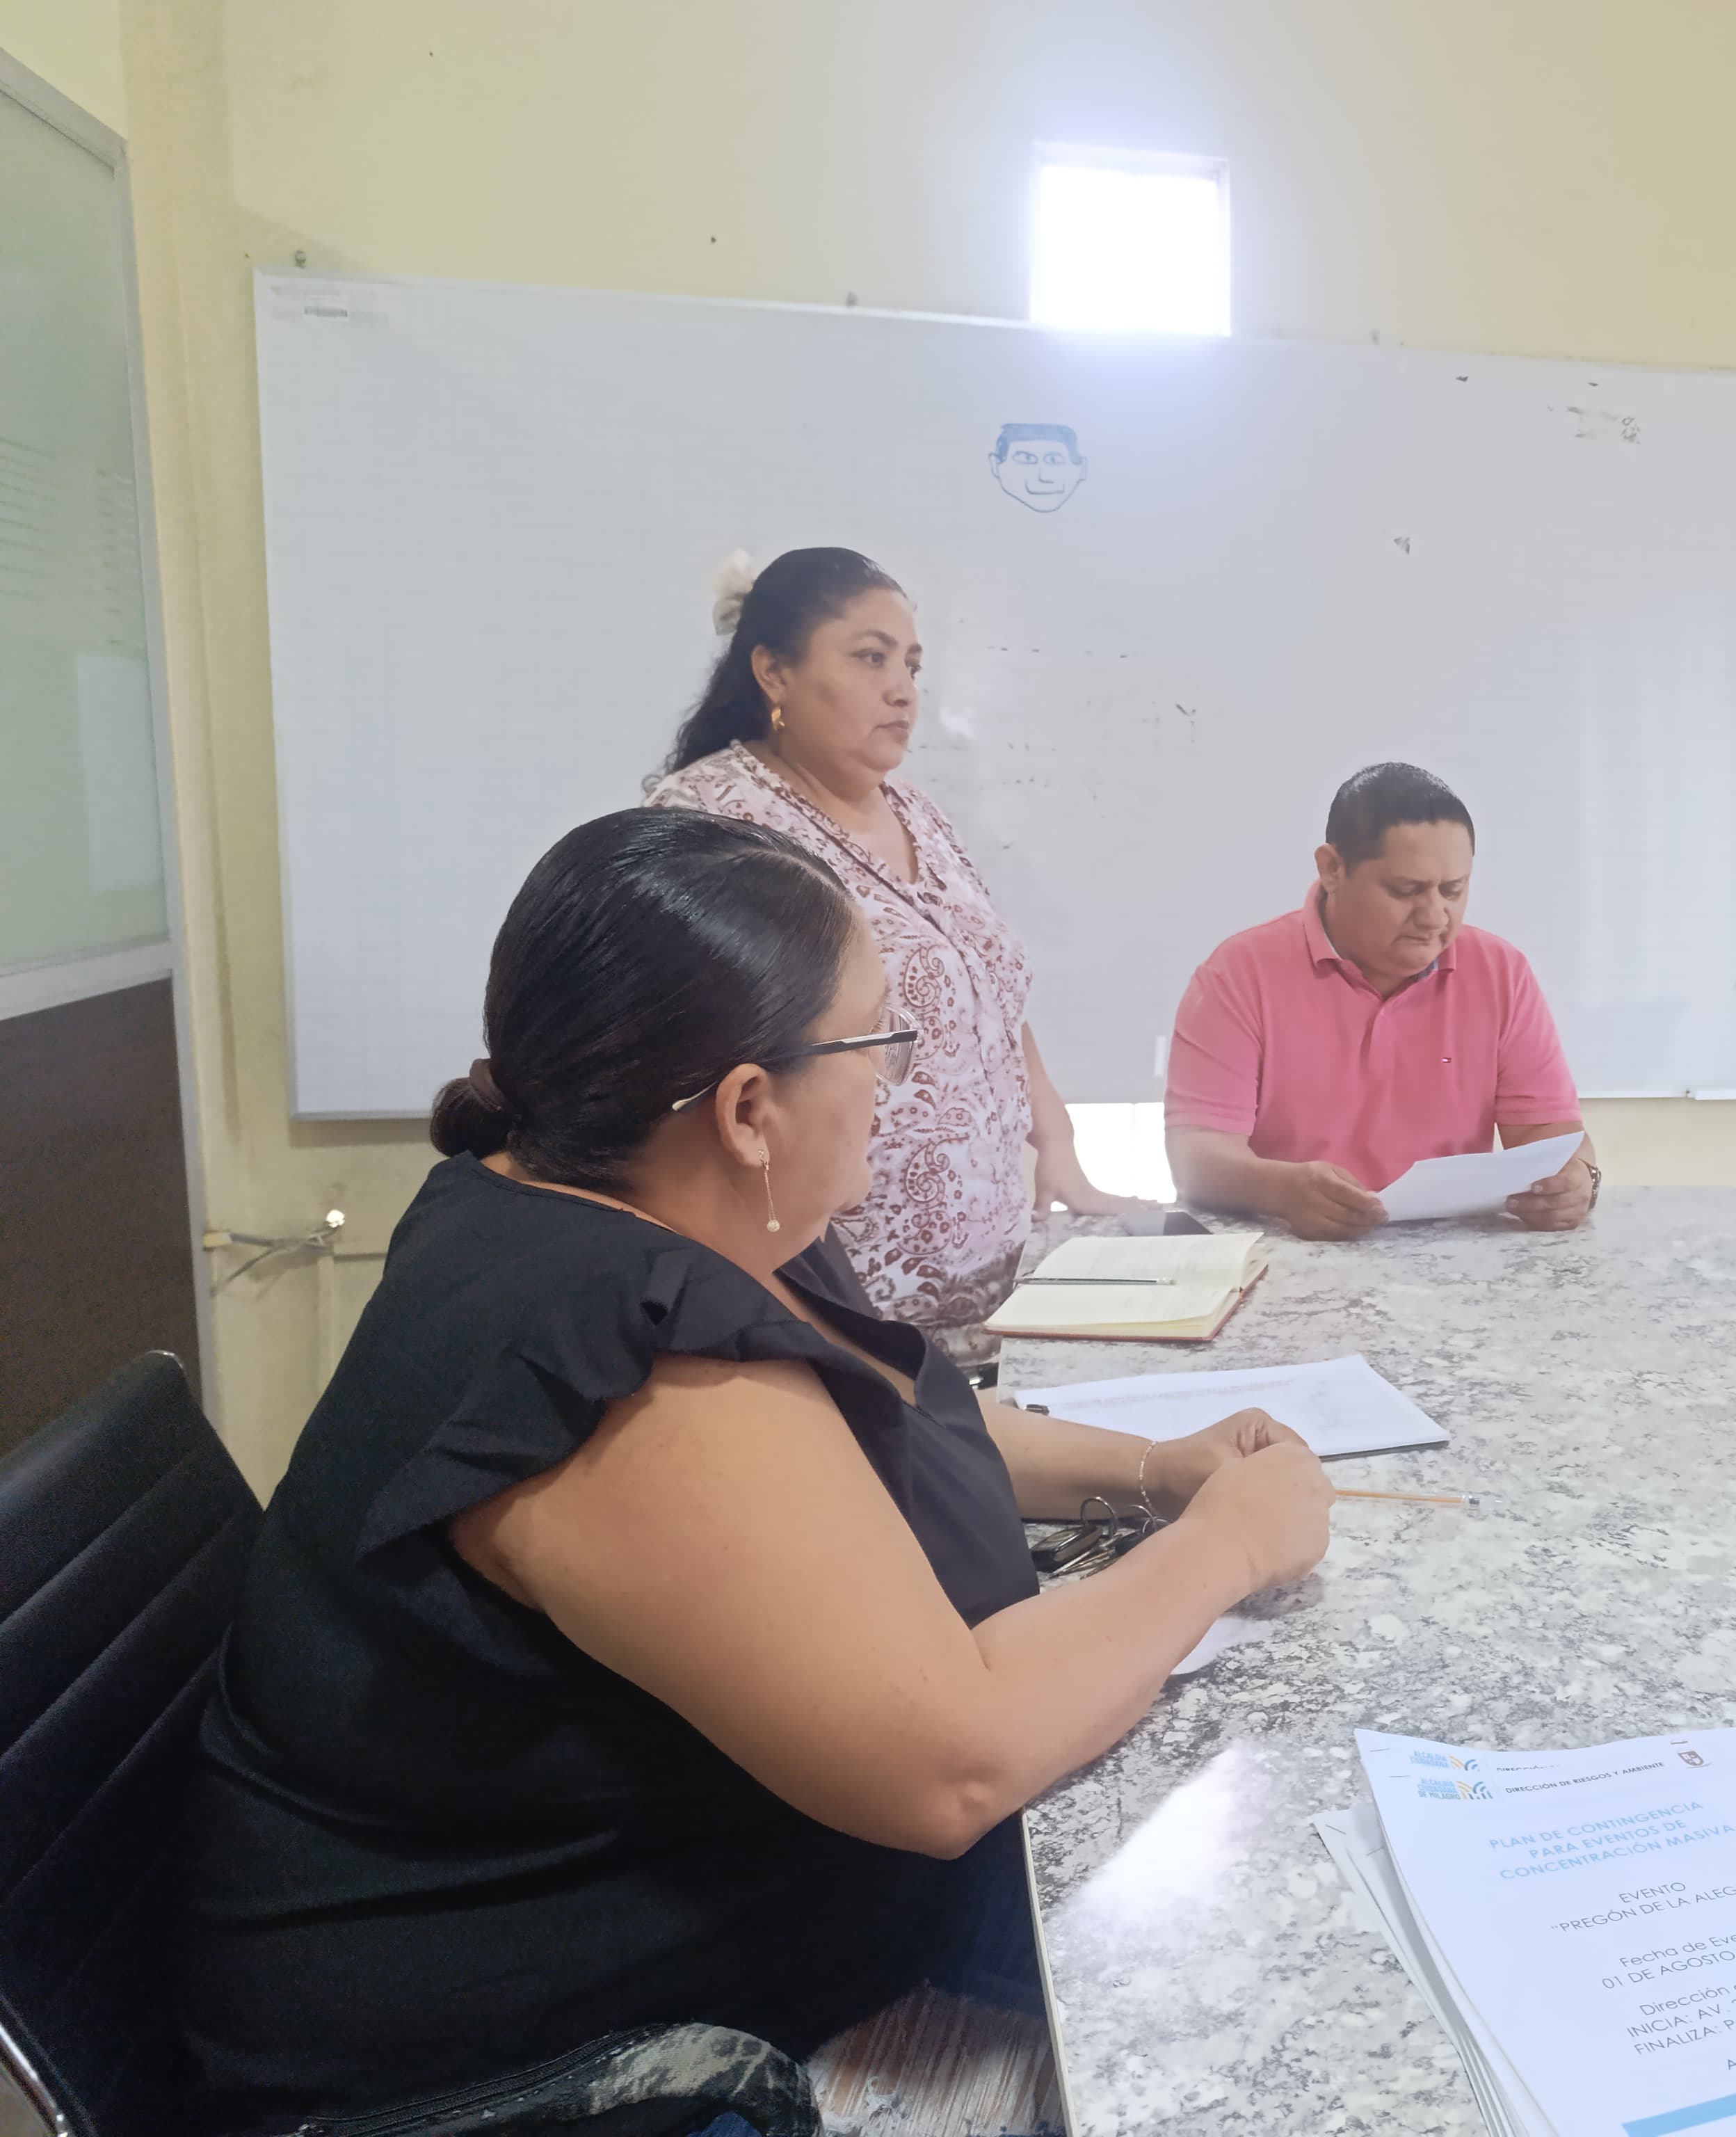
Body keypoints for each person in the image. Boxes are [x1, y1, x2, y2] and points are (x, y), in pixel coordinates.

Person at [177, 810, 1333, 2122]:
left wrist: (1163, 1471)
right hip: (510, 2061)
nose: (896, 1081)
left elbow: (899, 1424)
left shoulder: (663, 1199)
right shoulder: (630, 1371)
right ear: (747, 1106)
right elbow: (953, 1761)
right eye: (875, 1042)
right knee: (1238, 1975)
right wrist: (1229, 1545)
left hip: (721, 1877)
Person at [648, 545, 1138, 1369]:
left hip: (994, 1301)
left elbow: (988, 993)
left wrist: (1055, 1139)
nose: (904, 690)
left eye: (911, 664)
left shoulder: (920, 813)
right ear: (774, 672)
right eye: (870, 658)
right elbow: (692, 1069)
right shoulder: (712, 821)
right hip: (834, 1313)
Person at [1163, 762, 1598, 1240]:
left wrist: (1575, 1180)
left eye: (1453, 890)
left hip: (1454, 1253)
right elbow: (1197, 1154)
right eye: (1405, 890)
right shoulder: (1240, 974)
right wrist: (1281, 1190)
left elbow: (1548, 1134)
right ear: (1332, 869)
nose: (1434, 917)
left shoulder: (1500, 973)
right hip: (1290, 1251)